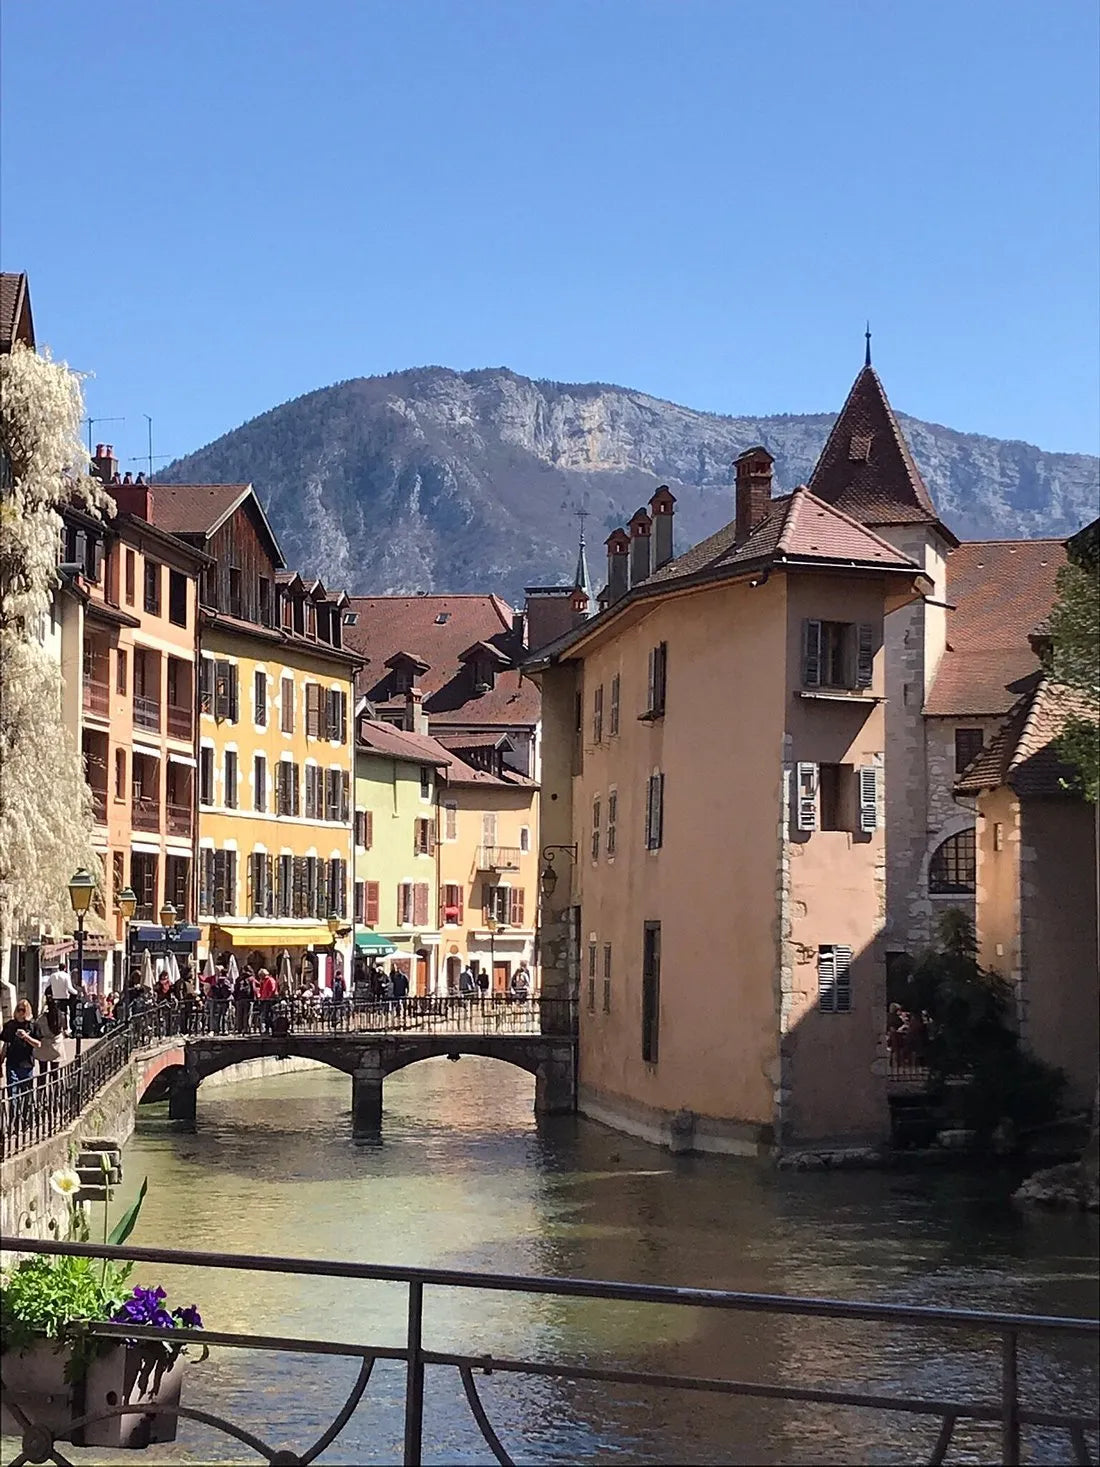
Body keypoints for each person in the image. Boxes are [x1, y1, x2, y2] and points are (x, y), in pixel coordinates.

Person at [0, 1000, 42, 1100]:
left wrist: (26, 1037)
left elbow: (38, 1044)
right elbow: (5, 1044)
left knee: (26, 1093)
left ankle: (25, 1110)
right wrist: (1, 1061)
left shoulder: (32, 1025)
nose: (20, 1013)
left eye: (23, 1010)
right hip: (12, 1064)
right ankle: (13, 1110)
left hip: (27, 1064)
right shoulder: (9, 1025)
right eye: (19, 1009)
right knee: (12, 1092)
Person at [34, 994, 66, 1082]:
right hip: (56, 1044)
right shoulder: (61, 1016)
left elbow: (37, 1028)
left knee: (42, 1072)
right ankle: (55, 1089)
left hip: (44, 1045)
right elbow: (64, 1029)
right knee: (55, 1071)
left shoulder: (42, 1018)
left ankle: (42, 1089)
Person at [49, 966, 80, 1035]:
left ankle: (57, 1028)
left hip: (55, 997)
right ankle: (65, 1029)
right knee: (64, 1013)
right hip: (64, 997)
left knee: (56, 1013)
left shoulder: (52, 976)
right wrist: (77, 992)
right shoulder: (66, 975)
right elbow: (69, 988)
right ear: (65, 968)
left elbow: (49, 986)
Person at [257, 967, 278, 1032]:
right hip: (264, 999)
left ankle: (272, 1027)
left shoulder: (270, 980)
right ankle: (267, 1028)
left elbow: (273, 989)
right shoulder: (263, 981)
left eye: (260, 976)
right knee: (265, 1015)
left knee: (269, 1015)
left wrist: (268, 996)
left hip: (269, 1000)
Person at [233, 969, 253, 1034]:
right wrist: (252, 998)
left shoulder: (238, 980)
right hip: (247, 999)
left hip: (239, 999)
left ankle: (240, 1028)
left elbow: (235, 990)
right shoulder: (249, 980)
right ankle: (246, 1028)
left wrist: (236, 998)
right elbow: (252, 990)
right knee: (246, 1015)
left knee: (239, 1014)